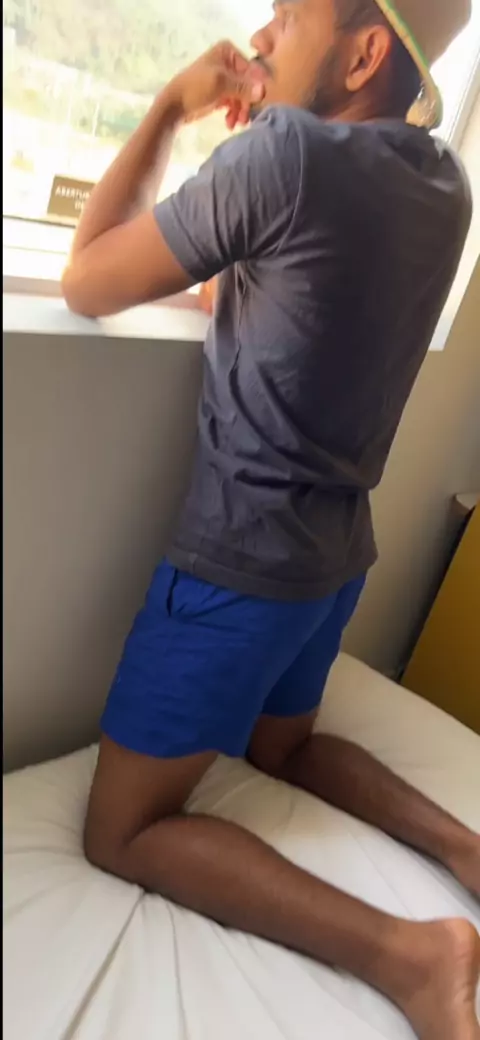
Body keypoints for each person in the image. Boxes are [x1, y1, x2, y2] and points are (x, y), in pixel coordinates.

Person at [62, 1, 480, 1036]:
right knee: (283, 749)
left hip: (239, 568)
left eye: (288, 17)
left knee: (120, 832)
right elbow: (281, 297)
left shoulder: (286, 160)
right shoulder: (446, 187)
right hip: (331, 568)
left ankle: (414, 954)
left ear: (365, 53)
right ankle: (471, 852)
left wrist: (171, 107)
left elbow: (85, 277)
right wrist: (262, 151)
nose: (258, 38)